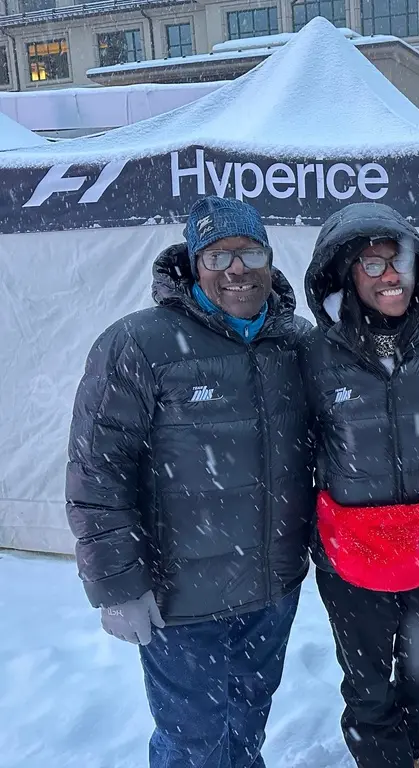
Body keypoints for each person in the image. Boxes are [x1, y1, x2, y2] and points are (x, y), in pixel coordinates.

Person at [65, 195, 314, 768]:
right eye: (217, 255)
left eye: (250, 252)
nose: (236, 269)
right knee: (192, 741)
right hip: (180, 598)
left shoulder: (296, 342)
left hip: (272, 586)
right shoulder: (138, 344)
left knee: (248, 723)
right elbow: (98, 470)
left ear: (270, 258)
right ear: (193, 264)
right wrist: (117, 584)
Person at [300, 203, 419, 768]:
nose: (390, 275)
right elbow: (298, 444)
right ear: (346, 274)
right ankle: (382, 755)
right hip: (350, 544)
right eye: (372, 264)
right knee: (366, 677)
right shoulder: (313, 353)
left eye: (400, 261)